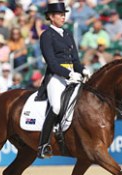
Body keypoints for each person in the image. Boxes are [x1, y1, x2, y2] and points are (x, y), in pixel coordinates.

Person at [36, 2, 90, 159]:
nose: (63, 17)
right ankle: (43, 145)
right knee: (57, 107)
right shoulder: (46, 35)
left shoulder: (67, 34)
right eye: (60, 14)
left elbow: (75, 60)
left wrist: (83, 70)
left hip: (72, 75)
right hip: (56, 77)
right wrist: (68, 74)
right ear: (51, 17)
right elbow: (51, 63)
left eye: (64, 14)